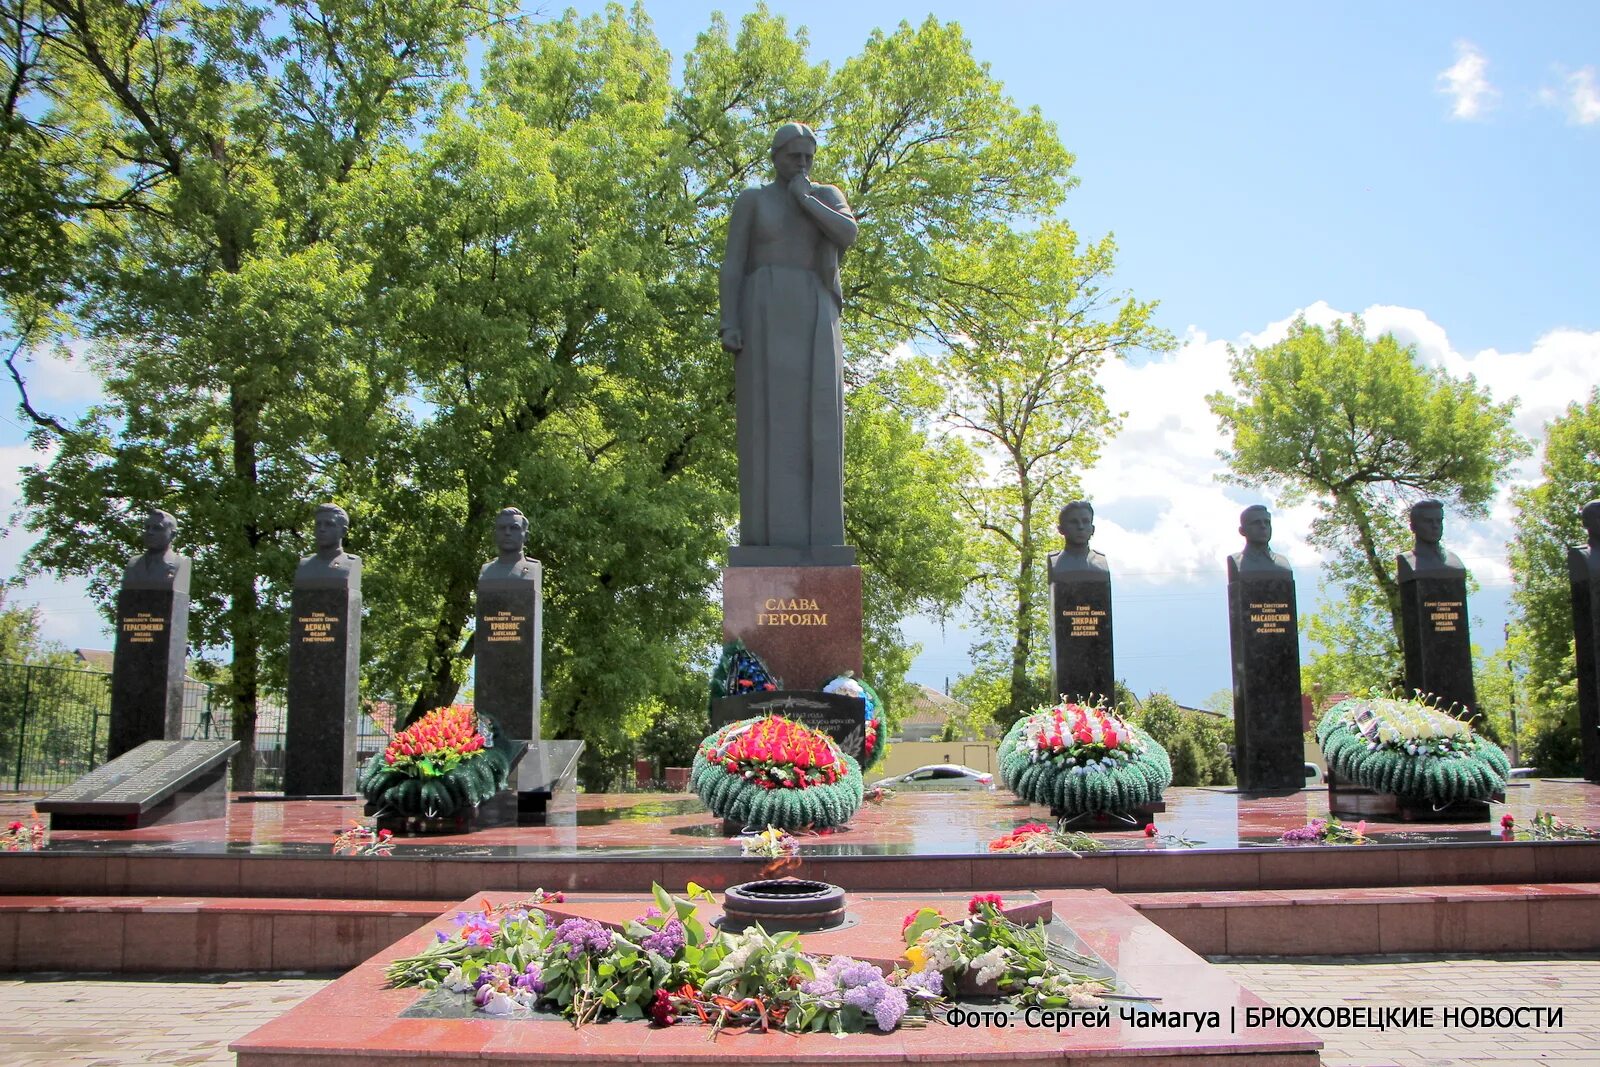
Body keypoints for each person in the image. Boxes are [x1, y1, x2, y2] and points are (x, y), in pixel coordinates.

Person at [719, 122, 858, 551]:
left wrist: (804, 198)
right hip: (762, 312)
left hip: (815, 311)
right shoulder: (753, 201)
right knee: (766, 420)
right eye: (793, 156)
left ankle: (821, 539)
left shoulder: (827, 195)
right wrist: (730, 321)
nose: (801, 164)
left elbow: (847, 234)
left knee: (818, 415)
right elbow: (733, 265)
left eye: (808, 157)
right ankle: (765, 538)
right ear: (775, 156)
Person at [122, 508, 187, 588]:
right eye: (147, 528)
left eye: (157, 528)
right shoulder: (133, 564)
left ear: (172, 535)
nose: (150, 532)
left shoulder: (180, 564)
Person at [1398, 499, 1465, 577]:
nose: (1435, 526)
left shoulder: (1454, 560)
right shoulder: (1406, 560)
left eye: (1439, 521)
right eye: (1428, 521)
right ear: (1413, 527)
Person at [295, 503, 359, 584]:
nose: (322, 529)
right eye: (318, 524)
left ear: (343, 531)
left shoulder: (351, 563)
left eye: (329, 524)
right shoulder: (304, 565)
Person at [1049, 500, 1109, 578]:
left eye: (1085, 522)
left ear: (1092, 529)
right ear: (1061, 529)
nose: (1080, 526)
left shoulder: (1101, 562)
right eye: (1074, 522)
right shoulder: (1054, 561)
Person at [1230, 504, 1292, 575]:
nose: (1263, 526)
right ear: (1242, 531)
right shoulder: (1235, 561)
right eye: (1256, 523)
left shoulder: (1283, 562)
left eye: (1267, 522)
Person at [480, 507, 538, 581]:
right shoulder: (486, 571)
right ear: (495, 535)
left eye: (514, 528)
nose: (507, 532)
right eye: (502, 528)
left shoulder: (533, 567)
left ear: (526, 536)